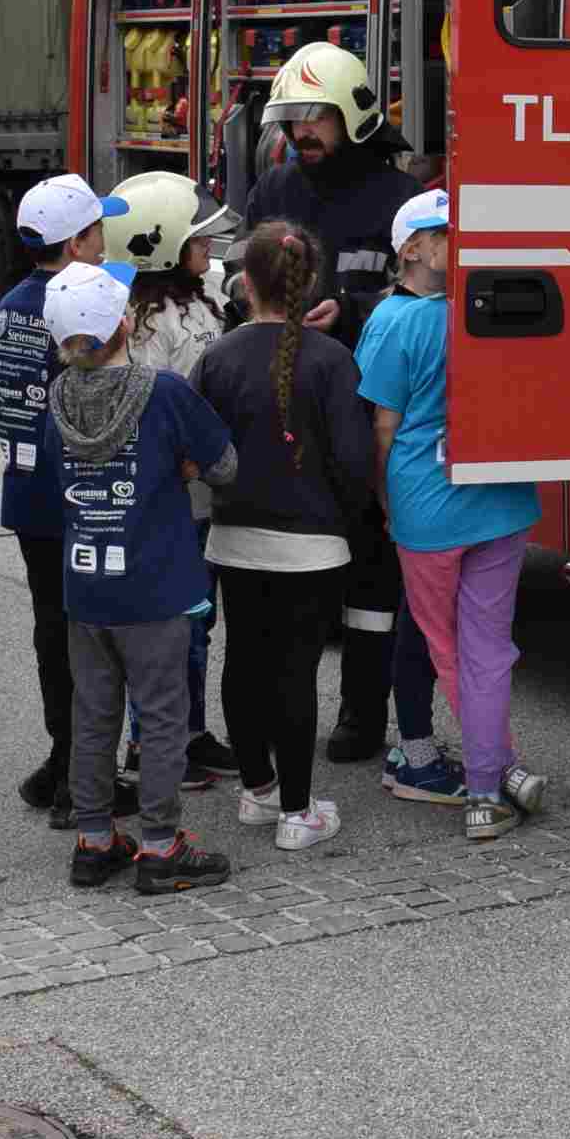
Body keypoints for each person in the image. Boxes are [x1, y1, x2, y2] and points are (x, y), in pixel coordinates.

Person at [239, 41, 432, 767]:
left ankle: (362, 712)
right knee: (288, 574)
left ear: (352, 114)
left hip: (367, 406)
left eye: (313, 117)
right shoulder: (273, 191)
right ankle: (275, 716)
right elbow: (240, 275)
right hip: (288, 408)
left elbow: (418, 292)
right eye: (289, 121)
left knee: (373, 573)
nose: (298, 135)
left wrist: (346, 310)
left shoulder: (396, 200)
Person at [37, 259, 239, 895]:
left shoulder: (58, 397)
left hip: (86, 585)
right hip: (155, 583)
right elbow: (225, 465)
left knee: (93, 712)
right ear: (125, 323)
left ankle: (95, 839)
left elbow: (51, 482)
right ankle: (159, 844)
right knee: (161, 715)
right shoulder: (163, 392)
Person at [356, 189, 549, 843]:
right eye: (442, 232)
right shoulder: (489, 307)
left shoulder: (389, 322)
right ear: (411, 248)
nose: (455, 238)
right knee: (486, 650)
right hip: (500, 498)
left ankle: (491, 785)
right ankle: (498, 779)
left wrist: (384, 502)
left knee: (452, 649)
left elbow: (383, 428)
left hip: (427, 510)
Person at [192, 221, 380, 849]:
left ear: (243, 283)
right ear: (311, 283)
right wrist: (355, 520)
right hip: (314, 542)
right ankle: (299, 812)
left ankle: (257, 789)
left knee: (243, 662)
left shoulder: (216, 357)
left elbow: (198, 449)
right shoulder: (333, 360)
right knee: (295, 673)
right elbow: (355, 464)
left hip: (234, 537)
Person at [0, 171, 129, 829]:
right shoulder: (79, 304)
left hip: (26, 494)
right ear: (76, 243)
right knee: (91, 640)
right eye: (98, 230)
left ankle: (61, 759)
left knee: (53, 632)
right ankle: (82, 778)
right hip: (80, 498)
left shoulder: (11, 305)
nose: (106, 240)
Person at [108, 170, 242, 791]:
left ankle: (188, 731)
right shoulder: (141, 321)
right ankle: (149, 742)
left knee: (200, 622)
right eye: (198, 241)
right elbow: (150, 408)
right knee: (174, 625)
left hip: (208, 491)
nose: (209, 251)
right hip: (173, 497)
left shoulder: (202, 296)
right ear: (158, 246)